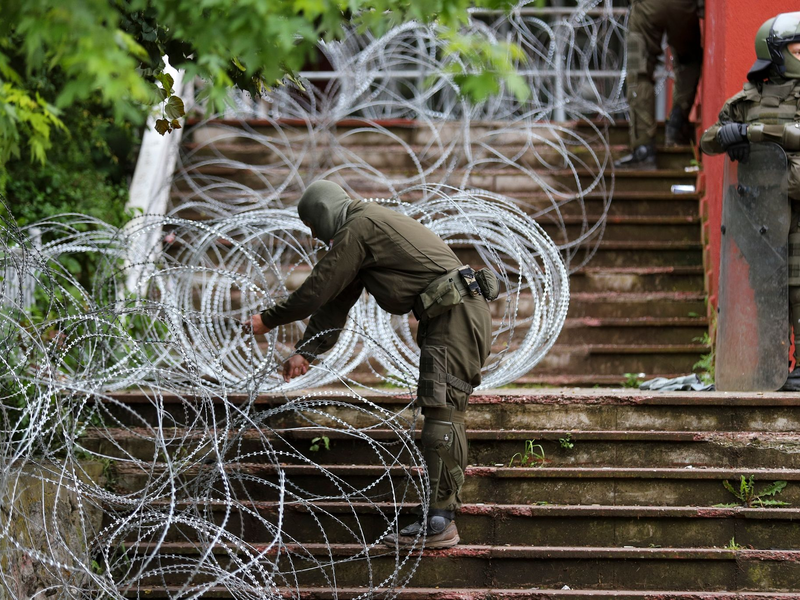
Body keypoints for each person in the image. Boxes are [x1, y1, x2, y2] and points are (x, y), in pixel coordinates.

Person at [243, 180, 493, 548]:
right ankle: (440, 516)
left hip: (456, 315)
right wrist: (306, 352)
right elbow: (334, 301)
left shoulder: (358, 227)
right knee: (442, 409)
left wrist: (268, 319)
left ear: (324, 214)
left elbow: (317, 288)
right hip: (451, 314)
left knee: (443, 412)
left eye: (313, 226)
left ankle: (441, 521)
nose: (314, 236)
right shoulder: (363, 228)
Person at [700, 12, 800, 388]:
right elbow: (710, 139)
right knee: (767, 288)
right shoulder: (748, 97)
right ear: (775, 52)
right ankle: (772, 367)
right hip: (762, 211)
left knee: (799, 284)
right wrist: (730, 136)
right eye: (797, 47)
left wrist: (753, 134)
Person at [615, 0, 704, 169]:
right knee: (688, 61)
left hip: (647, 6)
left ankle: (643, 149)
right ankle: (677, 124)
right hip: (684, 6)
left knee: (639, 72)